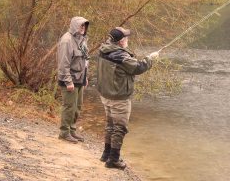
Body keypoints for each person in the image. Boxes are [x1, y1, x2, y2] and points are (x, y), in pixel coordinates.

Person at [97, 27, 159, 169]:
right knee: (120, 127)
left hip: (105, 94)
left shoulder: (103, 48)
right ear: (121, 41)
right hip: (118, 97)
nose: (127, 40)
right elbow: (138, 67)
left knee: (110, 124)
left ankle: (106, 154)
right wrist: (151, 58)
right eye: (126, 38)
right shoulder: (120, 56)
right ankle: (113, 159)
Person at [57, 16, 90, 144]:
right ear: (75, 26)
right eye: (81, 26)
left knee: (78, 107)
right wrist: (68, 81)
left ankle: (72, 130)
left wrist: (85, 77)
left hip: (80, 79)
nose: (83, 28)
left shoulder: (82, 39)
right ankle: (64, 133)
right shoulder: (67, 40)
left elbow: (85, 60)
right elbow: (63, 64)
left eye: (84, 26)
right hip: (69, 80)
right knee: (69, 107)